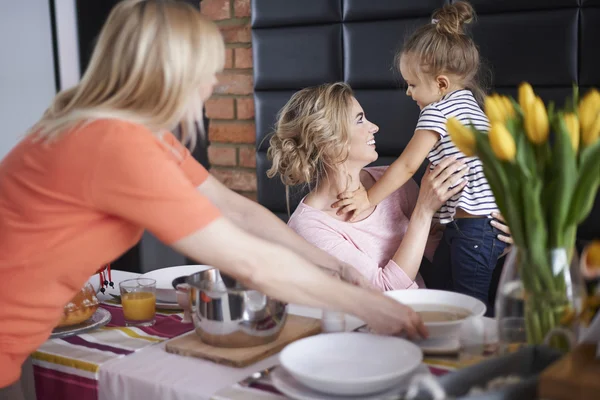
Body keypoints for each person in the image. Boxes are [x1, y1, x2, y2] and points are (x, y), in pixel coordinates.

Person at [0, 1, 428, 395]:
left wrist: (337, 267)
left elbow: (237, 210)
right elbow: (250, 262)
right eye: (207, 69)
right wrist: (371, 305)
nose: (213, 82)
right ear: (172, 72)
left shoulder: (135, 135)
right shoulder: (114, 144)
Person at [331, 1, 508, 309]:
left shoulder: (436, 111)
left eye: (412, 84)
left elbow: (408, 164)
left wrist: (368, 198)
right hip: (476, 227)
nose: (409, 92)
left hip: (473, 230)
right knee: (448, 294)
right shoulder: (472, 108)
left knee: (468, 307)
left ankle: (479, 354)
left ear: (441, 84)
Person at [268, 82, 472, 290]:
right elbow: (384, 289)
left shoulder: (391, 182)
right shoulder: (308, 228)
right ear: (328, 142)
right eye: (360, 120)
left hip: (425, 313)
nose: (374, 127)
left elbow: (441, 252)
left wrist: (492, 236)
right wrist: (424, 210)